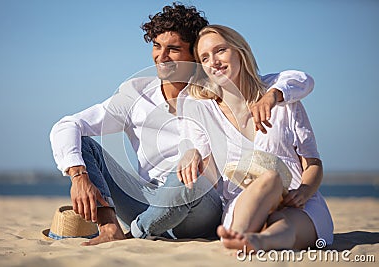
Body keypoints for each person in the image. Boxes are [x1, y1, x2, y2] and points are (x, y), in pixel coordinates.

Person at [50, 3, 315, 246]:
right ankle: (111, 229)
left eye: (173, 49)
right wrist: (78, 175)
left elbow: (290, 78)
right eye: (156, 46)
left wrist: (273, 95)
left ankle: (137, 234)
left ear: (194, 56)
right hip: (145, 198)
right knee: (85, 147)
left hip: (199, 204)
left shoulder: (215, 91)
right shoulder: (134, 94)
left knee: (184, 180)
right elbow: (68, 125)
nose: (161, 57)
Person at [177, 24, 333, 252]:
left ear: (240, 51)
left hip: (298, 202)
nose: (214, 61)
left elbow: (313, 164)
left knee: (284, 222)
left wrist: (304, 192)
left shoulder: (283, 98)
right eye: (205, 57)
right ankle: (239, 235)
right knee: (269, 178)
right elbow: (209, 177)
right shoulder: (203, 110)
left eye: (220, 50)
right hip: (243, 203)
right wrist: (191, 151)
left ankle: (259, 241)